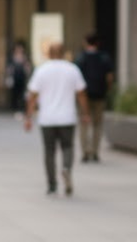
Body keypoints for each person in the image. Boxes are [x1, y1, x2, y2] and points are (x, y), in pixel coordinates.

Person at [24, 42, 90, 196]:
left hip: (47, 118)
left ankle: (52, 185)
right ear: (64, 53)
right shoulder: (72, 69)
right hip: (67, 117)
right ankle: (66, 168)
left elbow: (32, 95)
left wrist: (28, 116)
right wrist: (85, 113)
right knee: (67, 147)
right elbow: (81, 94)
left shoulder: (42, 70)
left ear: (48, 54)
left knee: (49, 151)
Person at [75, 32, 114, 162]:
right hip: (100, 95)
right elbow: (109, 77)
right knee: (97, 125)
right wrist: (108, 90)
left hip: (84, 96)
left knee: (84, 124)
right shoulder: (104, 57)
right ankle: (95, 151)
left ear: (86, 42)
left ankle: (85, 152)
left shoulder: (81, 58)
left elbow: (76, 79)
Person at [5, 41, 32, 117]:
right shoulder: (12, 57)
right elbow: (8, 68)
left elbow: (28, 68)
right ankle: (15, 109)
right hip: (14, 79)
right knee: (14, 95)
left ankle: (21, 110)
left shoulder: (25, 57)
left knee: (22, 95)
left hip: (22, 79)